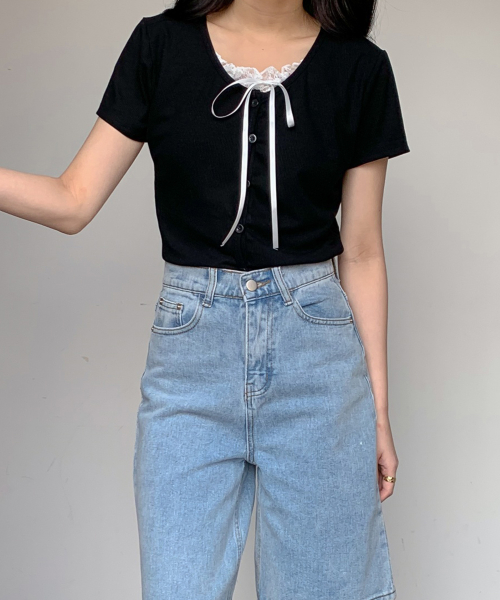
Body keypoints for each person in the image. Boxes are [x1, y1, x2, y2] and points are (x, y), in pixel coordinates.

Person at [0, 1, 410, 598]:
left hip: (318, 366)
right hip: (190, 363)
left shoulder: (360, 67)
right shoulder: (161, 45)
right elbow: (72, 200)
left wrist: (378, 413)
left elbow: (364, 251)